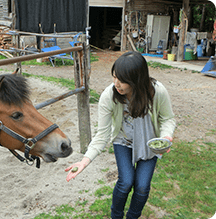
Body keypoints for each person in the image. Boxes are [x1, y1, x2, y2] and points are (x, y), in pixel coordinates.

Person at [65, 51, 176, 219]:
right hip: (123, 141)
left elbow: (168, 119)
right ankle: (116, 216)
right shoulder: (109, 96)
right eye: (114, 77)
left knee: (142, 187)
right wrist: (84, 161)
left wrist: (166, 136)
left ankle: (132, 216)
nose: (116, 83)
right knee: (125, 182)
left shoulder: (157, 92)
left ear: (137, 79)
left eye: (122, 80)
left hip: (149, 144)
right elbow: (102, 134)